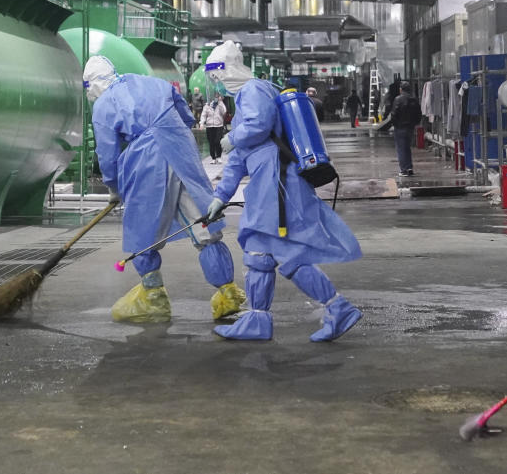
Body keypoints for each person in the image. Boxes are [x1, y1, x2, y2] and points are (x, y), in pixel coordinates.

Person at [203, 40, 362, 342]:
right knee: (264, 252)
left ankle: (334, 308)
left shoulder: (254, 90)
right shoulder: (246, 99)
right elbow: (238, 159)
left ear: (229, 70)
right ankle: (262, 318)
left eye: (218, 76)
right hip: (270, 181)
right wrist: (219, 197)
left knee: (276, 250)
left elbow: (259, 126)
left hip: (276, 181)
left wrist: (233, 136)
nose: (218, 84)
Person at [83, 56, 246, 324]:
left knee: (142, 229)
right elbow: (184, 113)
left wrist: (114, 187)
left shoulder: (103, 105)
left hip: (147, 159)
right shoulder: (151, 82)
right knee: (201, 222)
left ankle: (153, 298)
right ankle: (227, 292)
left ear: (92, 84)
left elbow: (108, 156)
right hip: (180, 147)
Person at [390, 81, 420, 177]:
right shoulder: (414, 100)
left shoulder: (398, 99)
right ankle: (409, 167)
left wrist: (395, 124)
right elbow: (418, 114)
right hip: (410, 128)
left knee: (401, 149)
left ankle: (404, 170)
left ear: (401, 89)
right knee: (407, 148)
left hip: (400, 128)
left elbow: (394, 114)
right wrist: (414, 124)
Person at [200, 95, 229, 164]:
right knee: (211, 143)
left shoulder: (220, 104)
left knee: (217, 141)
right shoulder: (207, 105)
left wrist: (221, 103)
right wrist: (202, 123)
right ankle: (213, 158)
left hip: (219, 125)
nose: (215, 98)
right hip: (209, 126)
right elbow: (203, 115)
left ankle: (219, 157)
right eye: (214, 97)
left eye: (217, 96)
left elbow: (224, 112)